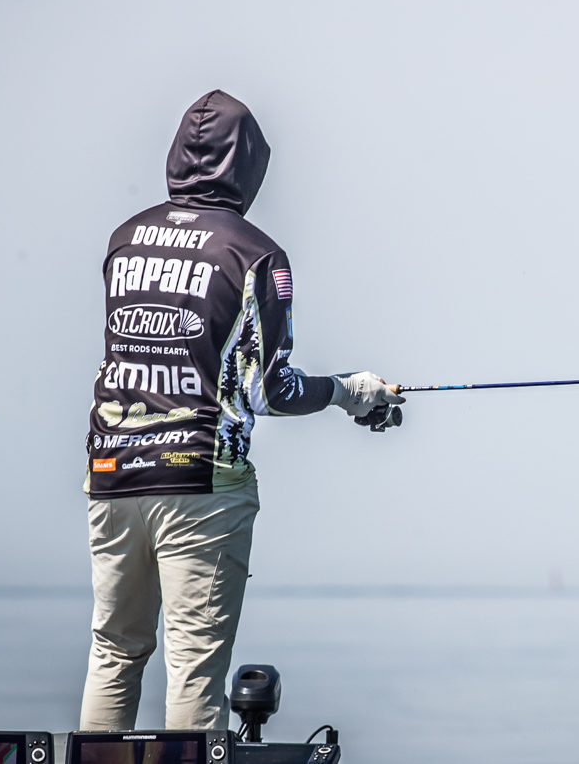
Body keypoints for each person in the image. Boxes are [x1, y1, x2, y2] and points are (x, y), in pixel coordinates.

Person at [79, 90, 404, 731]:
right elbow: (269, 391)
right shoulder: (255, 255)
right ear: (247, 163)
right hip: (201, 478)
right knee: (194, 667)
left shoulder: (124, 240)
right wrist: (350, 391)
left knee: (114, 651)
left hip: (112, 471)